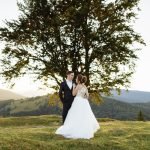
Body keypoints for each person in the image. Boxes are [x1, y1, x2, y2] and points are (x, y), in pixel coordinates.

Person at [55, 74, 100, 139]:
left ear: (78, 80)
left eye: (76, 79)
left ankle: (75, 128)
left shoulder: (78, 86)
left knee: (75, 115)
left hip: (78, 101)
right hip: (84, 102)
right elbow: (87, 96)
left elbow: (73, 94)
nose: (75, 79)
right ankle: (84, 129)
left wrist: (73, 87)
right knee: (83, 116)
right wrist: (83, 97)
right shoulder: (85, 86)